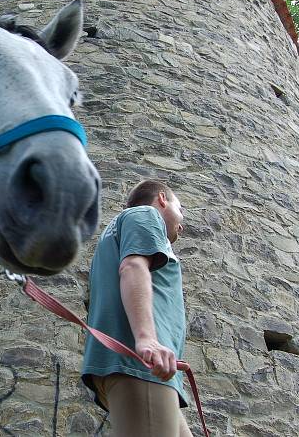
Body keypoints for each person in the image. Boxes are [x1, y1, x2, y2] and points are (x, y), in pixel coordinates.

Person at [82, 179, 192, 436]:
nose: (182, 225)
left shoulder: (115, 233)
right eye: (181, 209)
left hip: (141, 369)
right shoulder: (145, 214)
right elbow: (132, 267)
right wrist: (147, 339)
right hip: (140, 364)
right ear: (162, 199)